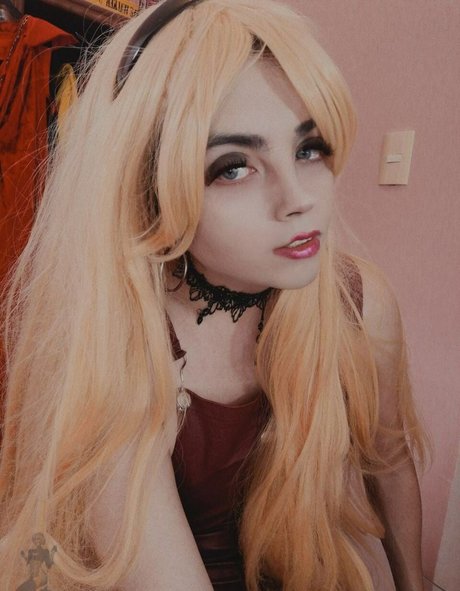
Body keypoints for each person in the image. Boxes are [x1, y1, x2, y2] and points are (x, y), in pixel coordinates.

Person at [0, 0, 428, 589]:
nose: (298, 199)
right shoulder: (113, 339)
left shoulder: (359, 302)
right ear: (151, 190)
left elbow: (391, 460)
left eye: (308, 148)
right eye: (233, 167)